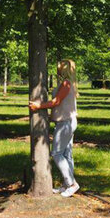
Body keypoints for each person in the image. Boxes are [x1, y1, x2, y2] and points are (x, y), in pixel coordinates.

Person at [29, 59, 79, 197]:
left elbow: (56, 102)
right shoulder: (67, 83)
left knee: (56, 153)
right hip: (66, 121)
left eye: (58, 68)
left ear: (63, 70)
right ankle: (66, 184)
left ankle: (72, 184)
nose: (56, 70)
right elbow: (63, 105)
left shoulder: (66, 83)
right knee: (67, 154)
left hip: (66, 123)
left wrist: (39, 106)